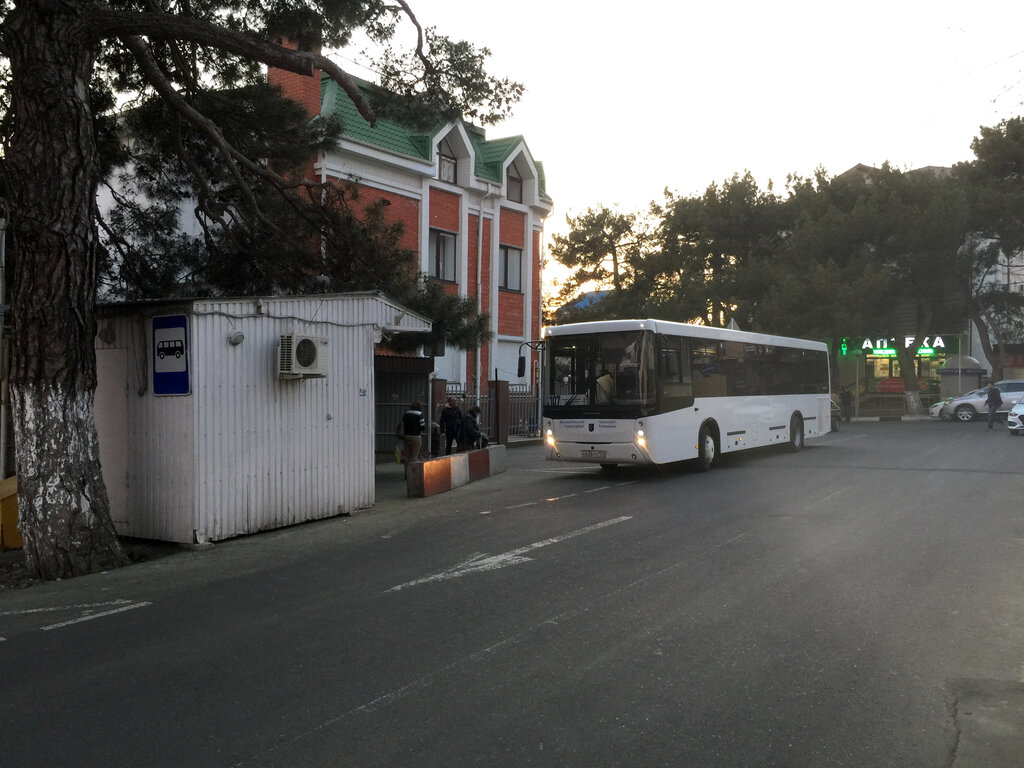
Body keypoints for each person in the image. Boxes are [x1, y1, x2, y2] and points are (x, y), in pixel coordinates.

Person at [400, 401, 426, 473]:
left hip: (406, 437)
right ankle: (414, 473)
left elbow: (402, 424)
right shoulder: (420, 415)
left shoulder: (406, 414)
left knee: (407, 456)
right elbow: (423, 427)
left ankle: (406, 473)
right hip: (416, 437)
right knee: (415, 456)